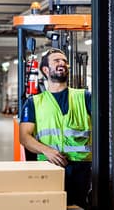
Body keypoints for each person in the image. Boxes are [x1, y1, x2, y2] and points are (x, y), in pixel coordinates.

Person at [19, 48, 92, 208]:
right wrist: (47, 151)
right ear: (45, 70)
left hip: (83, 168)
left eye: (64, 61)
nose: (62, 64)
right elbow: (24, 136)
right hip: (49, 165)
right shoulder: (33, 103)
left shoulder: (85, 97)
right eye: (57, 61)